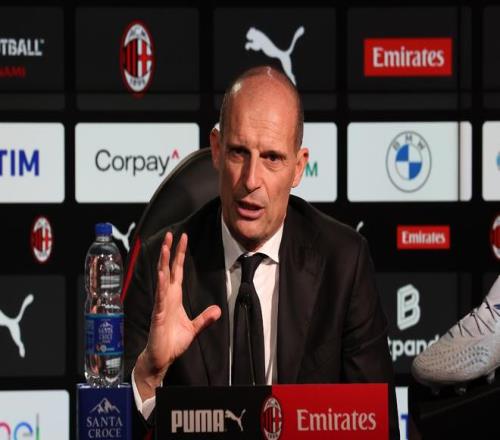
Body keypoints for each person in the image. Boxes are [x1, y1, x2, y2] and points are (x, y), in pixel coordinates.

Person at [124, 65, 399, 438]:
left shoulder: (343, 262)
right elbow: (111, 430)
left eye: (272, 158)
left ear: (298, 168)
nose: (251, 180)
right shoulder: (164, 263)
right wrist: (149, 374)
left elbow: (378, 426)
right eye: (239, 152)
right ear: (217, 149)